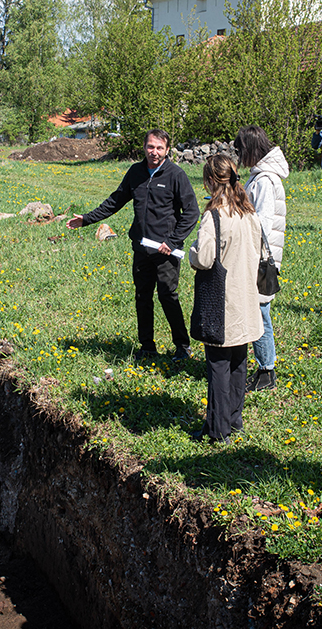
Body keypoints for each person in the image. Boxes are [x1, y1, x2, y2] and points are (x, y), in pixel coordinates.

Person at [67, 130, 200, 361]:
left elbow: (191, 212)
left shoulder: (176, 175)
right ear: (144, 147)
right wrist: (87, 219)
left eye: (159, 148)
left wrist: (172, 241)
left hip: (165, 251)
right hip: (141, 249)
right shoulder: (136, 172)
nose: (154, 152)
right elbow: (115, 201)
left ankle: (182, 346)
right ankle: (147, 347)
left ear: (167, 150)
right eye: (150, 147)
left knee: (168, 297)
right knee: (143, 297)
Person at [187, 155, 263, 442]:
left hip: (222, 299)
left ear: (209, 181)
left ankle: (218, 430)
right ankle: (234, 418)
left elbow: (204, 259)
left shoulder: (214, 214)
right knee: (238, 362)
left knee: (218, 364)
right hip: (246, 295)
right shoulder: (248, 211)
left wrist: (193, 251)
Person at [234, 126, 287, 392]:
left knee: (259, 312)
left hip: (260, 256)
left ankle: (267, 370)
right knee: (256, 311)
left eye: (241, 151)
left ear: (251, 149)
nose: (240, 156)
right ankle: (260, 365)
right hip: (257, 253)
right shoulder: (259, 176)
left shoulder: (265, 180)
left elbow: (262, 223)